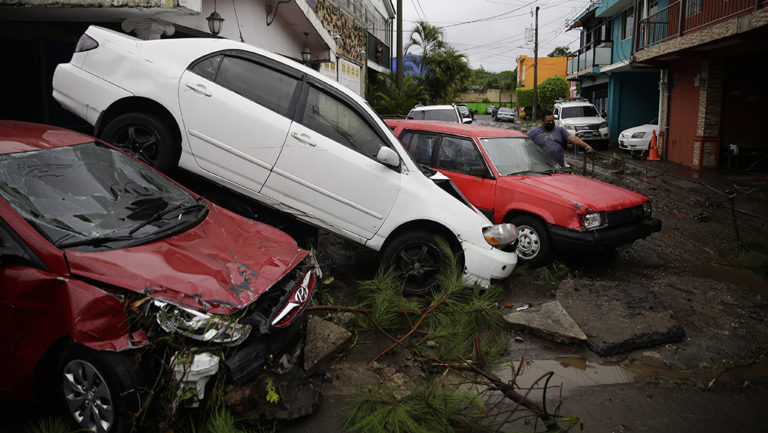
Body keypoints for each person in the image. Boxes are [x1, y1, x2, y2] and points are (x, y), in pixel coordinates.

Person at [527, 110, 593, 166]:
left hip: (558, 166)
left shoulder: (560, 129)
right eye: (549, 121)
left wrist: (586, 146)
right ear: (543, 121)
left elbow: (572, 138)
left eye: (552, 121)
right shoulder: (533, 132)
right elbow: (526, 145)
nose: (551, 123)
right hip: (541, 166)